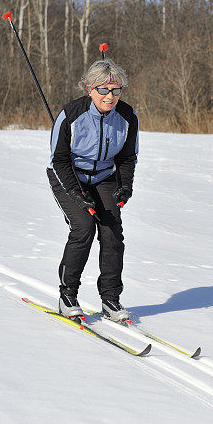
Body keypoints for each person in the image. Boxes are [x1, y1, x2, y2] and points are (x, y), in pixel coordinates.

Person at [46, 58, 138, 323]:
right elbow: (59, 161)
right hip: (68, 176)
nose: (110, 97)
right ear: (90, 89)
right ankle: (68, 295)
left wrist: (125, 187)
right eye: (103, 90)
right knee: (83, 227)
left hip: (104, 177)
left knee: (111, 233)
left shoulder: (127, 117)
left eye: (116, 91)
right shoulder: (71, 115)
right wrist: (77, 193)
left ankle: (110, 298)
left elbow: (127, 158)